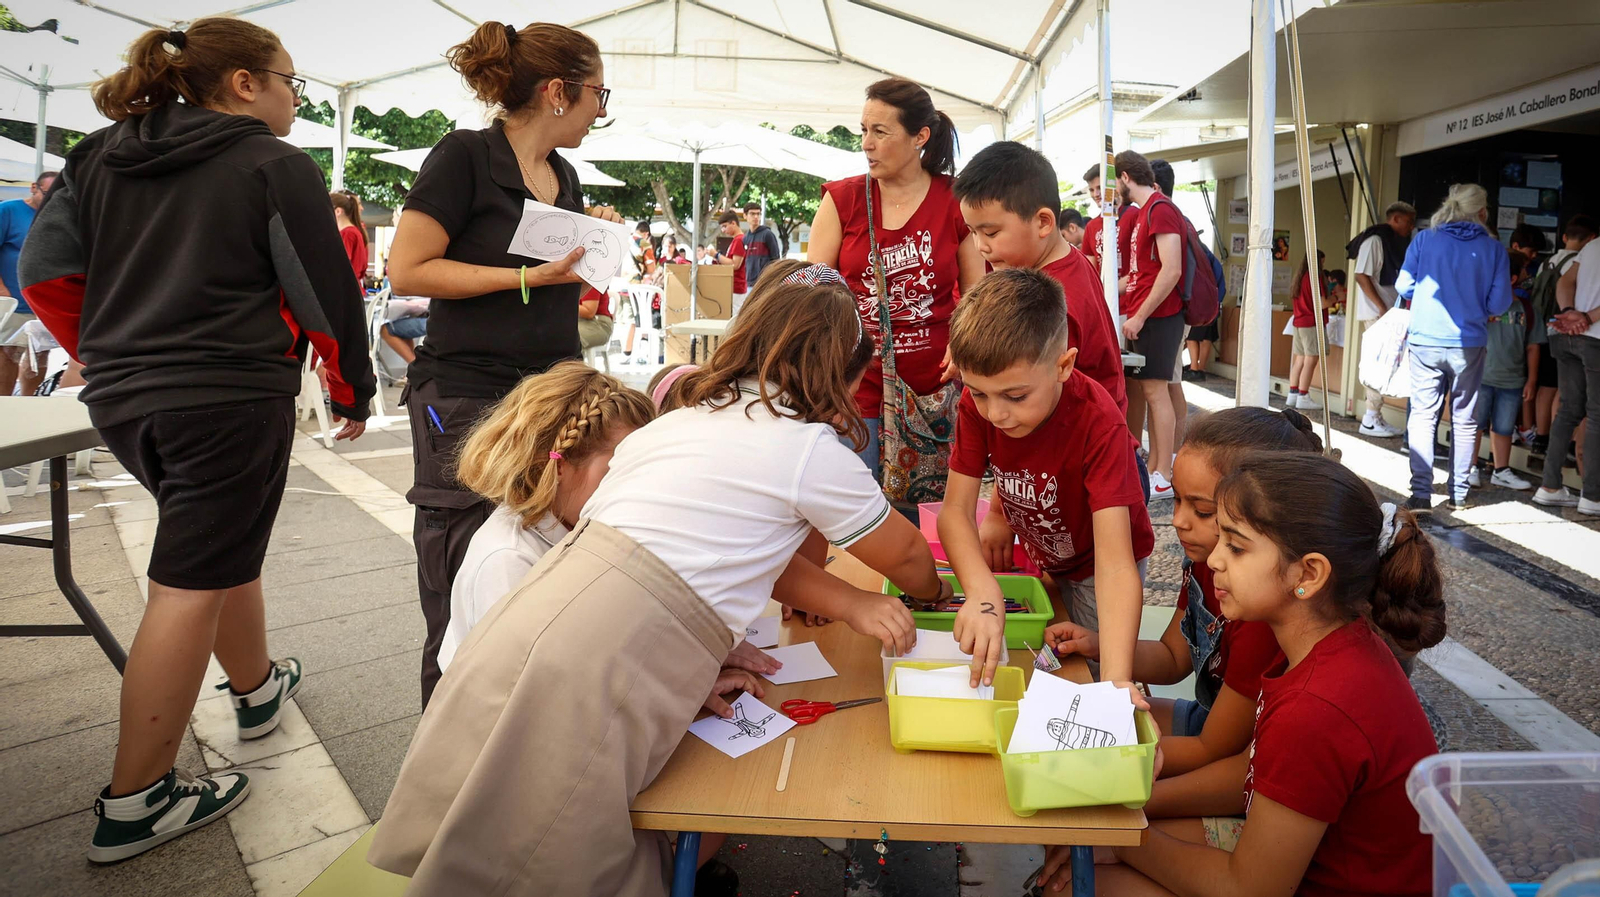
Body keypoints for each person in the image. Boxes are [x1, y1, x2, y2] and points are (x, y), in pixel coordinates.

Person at [367, 266, 943, 897]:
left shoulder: (677, 424)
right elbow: (911, 558)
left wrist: (853, 602)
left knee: (494, 830)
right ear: (838, 373)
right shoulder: (804, 448)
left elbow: (737, 558)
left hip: (533, 624)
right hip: (597, 665)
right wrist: (941, 593)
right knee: (558, 858)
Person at [19, 19, 374, 862]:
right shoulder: (273, 162)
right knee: (186, 580)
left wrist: (108, 346)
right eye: (293, 82)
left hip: (127, 397)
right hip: (226, 395)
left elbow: (43, 271)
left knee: (214, 547)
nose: (298, 99)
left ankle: (255, 689)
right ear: (246, 83)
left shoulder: (97, 154)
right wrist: (348, 382)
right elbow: (326, 288)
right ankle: (138, 797)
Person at [1036, 452, 1445, 896]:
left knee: (1075, 880)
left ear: (1308, 573)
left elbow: (1249, 889)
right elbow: (1251, 778)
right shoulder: (1321, 644)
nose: (1213, 560)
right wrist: (1123, 813)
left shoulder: (1316, 704)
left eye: (1235, 545)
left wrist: (1124, 840)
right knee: (1079, 848)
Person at [383, 20, 623, 706]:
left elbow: (550, 282)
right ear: (558, 92)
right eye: (597, 96)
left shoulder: (563, 176)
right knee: (461, 575)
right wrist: (523, 280)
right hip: (465, 394)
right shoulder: (464, 157)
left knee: (543, 569)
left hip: (549, 397)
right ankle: (444, 768)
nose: (599, 112)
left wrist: (585, 257)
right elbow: (409, 267)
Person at [1046, 407, 1320, 810]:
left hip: (1236, 764)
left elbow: (1215, 749)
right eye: (1175, 500)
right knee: (1067, 718)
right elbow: (1175, 657)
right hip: (1208, 724)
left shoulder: (1259, 610)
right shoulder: (1206, 565)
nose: (1177, 520)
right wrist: (1099, 645)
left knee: (1075, 776)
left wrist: (1109, 772)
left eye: (1203, 511)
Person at [938, 268, 1154, 698]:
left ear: (1064, 365)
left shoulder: (1099, 422)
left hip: (1098, 568)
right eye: (979, 393)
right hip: (1050, 554)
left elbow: (1114, 565)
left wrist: (1115, 683)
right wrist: (982, 592)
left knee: (1093, 672)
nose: (995, 414)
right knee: (1048, 657)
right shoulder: (977, 404)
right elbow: (955, 512)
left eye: (1015, 397)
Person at [807, 77, 985, 478]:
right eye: (864, 130)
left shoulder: (955, 201)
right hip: (856, 390)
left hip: (934, 395)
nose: (866, 143)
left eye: (880, 132)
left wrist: (964, 345)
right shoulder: (842, 200)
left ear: (920, 136)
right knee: (859, 510)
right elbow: (813, 301)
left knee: (924, 513)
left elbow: (977, 295)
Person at [438, 362, 655, 672]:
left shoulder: (579, 525)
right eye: (620, 467)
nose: (637, 482)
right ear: (557, 466)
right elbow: (523, 684)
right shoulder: (509, 561)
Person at [1397, 183, 1513, 512]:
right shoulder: (1492, 249)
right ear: (1482, 211)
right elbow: (1500, 302)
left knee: (1422, 414)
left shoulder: (1425, 239)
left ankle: (1421, 493)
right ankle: (1458, 493)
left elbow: (1405, 285)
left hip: (1425, 340)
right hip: (1469, 343)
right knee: (1464, 418)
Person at [1116, 150, 1187, 501]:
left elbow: (1171, 270)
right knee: (1151, 391)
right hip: (1147, 313)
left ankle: (1163, 472)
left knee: (1158, 392)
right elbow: (1141, 273)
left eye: (1116, 182)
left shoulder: (1160, 209)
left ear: (1126, 177)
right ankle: (1158, 467)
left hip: (1159, 316)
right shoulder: (1147, 211)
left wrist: (1140, 314)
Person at [1538, 217, 1600, 515]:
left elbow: (1566, 281)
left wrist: (1569, 313)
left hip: (1568, 336)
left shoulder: (1592, 247)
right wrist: (1586, 318)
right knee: (1597, 416)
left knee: (1568, 411)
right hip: (1596, 339)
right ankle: (1592, 496)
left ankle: (1549, 486)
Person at [1469, 250, 1541, 492]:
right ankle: (1469, 467)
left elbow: (1532, 347)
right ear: (1511, 278)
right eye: (1523, 271)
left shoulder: (1527, 310)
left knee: (1503, 426)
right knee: (1475, 424)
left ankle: (1501, 470)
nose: (1526, 275)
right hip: (1481, 377)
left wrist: (1531, 380)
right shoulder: (1481, 305)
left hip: (1512, 380)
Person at [1347, 201, 1416, 437]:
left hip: (1387, 313)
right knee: (1377, 363)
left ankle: (1375, 415)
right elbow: (1361, 275)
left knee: (1385, 364)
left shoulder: (1392, 242)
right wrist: (1382, 307)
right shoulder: (1375, 241)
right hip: (1379, 314)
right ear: (1395, 219)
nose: (1411, 227)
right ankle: (1370, 417)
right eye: (1408, 221)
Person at [1529, 216, 1597, 455]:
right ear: (1591, 238)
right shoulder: (1579, 261)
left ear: (1565, 237)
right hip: (1570, 330)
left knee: (1545, 388)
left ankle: (1541, 436)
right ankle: (1568, 442)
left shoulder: (1547, 262)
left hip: (1545, 328)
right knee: (1564, 393)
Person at [0, 169, 58, 396]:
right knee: (8, 353)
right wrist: (2, 288)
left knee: (40, 354)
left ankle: (30, 400)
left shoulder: (55, 215)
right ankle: (4, 405)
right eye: (47, 193)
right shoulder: (8, 211)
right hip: (14, 299)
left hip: (43, 301)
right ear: (34, 187)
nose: (51, 199)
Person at [1287, 250, 1329, 412]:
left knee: (1299, 360)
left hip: (1298, 322)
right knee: (1311, 360)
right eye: (1322, 262)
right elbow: (1322, 303)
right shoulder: (1314, 278)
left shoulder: (1299, 278)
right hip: (1311, 323)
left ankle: (1293, 393)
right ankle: (1303, 395)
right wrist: (1335, 298)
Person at [711, 210, 748, 311]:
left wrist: (716, 255)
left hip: (736, 286)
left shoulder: (739, 240)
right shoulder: (737, 240)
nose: (723, 230)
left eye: (724, 226)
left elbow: (735, 264)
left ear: (733, 223)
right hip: (734, 286)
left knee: (734, 317)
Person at [330, 189, 368, 286]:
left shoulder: (347, 234)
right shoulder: (354, 231)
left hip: (346, 288)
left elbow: (341, 266)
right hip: (353, 287)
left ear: (338, 211)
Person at [742, 201, 783, 288]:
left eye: (758, 214)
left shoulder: (767, 234)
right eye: (752, 214)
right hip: (749, 283)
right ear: (745, 216)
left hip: (764, 283)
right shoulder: (745, 238)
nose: (756, 217)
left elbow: (776, 259)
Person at [578, 286, 613, 351]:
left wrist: (563, 304)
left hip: (598, 324)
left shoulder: (590, 282)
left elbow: (589, 312)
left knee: (567, 339)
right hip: (579, 322)